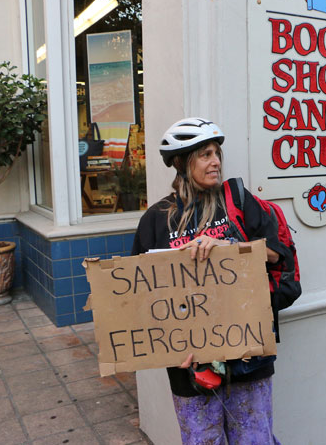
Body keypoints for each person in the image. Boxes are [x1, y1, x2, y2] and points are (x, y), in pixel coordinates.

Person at [131, 117, 287, 444]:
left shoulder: (239, 203)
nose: (215, 161)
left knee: (255, 438)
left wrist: (230, 249)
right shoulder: (156, 219)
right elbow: (140, 293)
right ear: (180, 162)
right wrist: (165, 347)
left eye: (217, 152)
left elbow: (276, 254)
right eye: (204, 154)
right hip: (190, 365)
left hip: (249, 355)